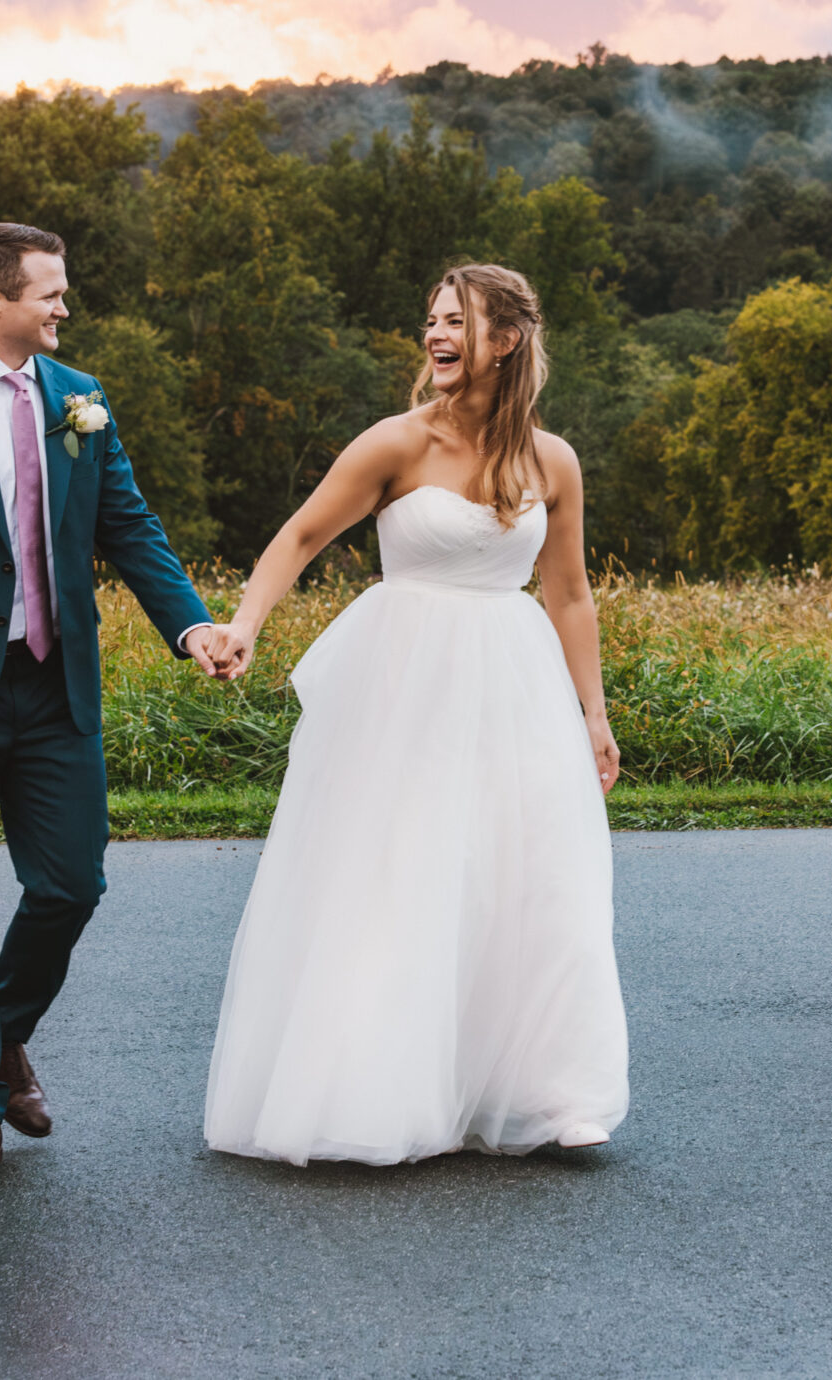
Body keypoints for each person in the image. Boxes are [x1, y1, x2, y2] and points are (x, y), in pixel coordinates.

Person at [201, 262, 629, 1165]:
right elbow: (303, 536)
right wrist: (244, 623)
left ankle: (548, 1094)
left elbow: (571, 595)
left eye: (457, 323)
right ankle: (375, 1088)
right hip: (405, 682)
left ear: (506, 342)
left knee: (529, 876)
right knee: (403, 871)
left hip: (514, 682)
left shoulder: (552, 461)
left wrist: (592, 714)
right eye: (432, 321)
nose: (436, 337)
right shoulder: (394, 443)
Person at [0, 222, 239, 1180]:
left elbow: (129, 527)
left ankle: (1, 1029)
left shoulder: (80, 400)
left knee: (71, 884)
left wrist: (190, 626)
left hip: (56, 686)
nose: (65, 307)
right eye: (49, 293)